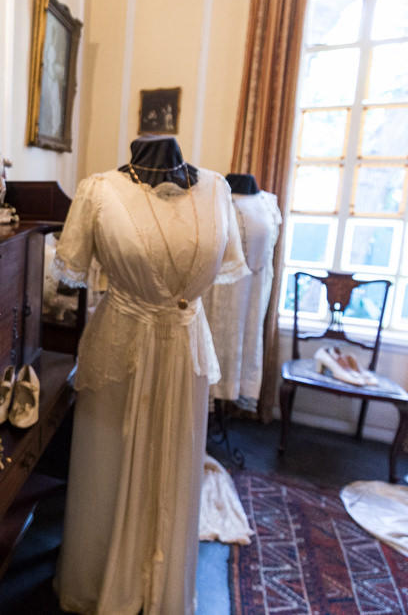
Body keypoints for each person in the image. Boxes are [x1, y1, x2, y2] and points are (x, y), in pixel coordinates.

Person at [53, 136, 248, 613]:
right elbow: (72, 265)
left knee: (179, 458)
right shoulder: (98, 191)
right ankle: (100, 578)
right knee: (109, 462)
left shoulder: (217, 191)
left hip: (184, 347)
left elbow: (224, 263)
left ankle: (162, 581)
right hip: (121, 345)